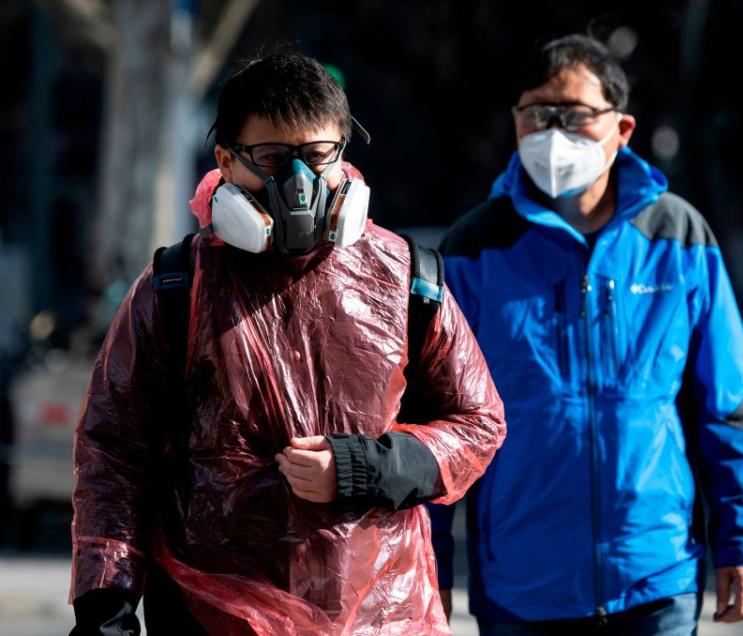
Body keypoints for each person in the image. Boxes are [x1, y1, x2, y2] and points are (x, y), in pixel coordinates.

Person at [70, 51, 506, 635]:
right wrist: (107, 607)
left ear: (343, 154)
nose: (299, 185)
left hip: (378, 616)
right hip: (213, 617)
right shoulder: (177, 287)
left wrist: (364, 468)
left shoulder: (406, 278)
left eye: (317, 157)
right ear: (225, 161)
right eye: (273, 158)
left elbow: (479, 422)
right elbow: (113, 454)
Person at [429, 35, 743, 635]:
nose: (553, 132)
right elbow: (437, 422)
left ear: (622, 128)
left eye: (575, 114)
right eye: (537, 113)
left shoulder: (678, 236)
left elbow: (730, 402)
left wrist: (742, 541)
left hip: (656, 581)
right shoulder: (474, 248)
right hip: (521, 590)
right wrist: (429, 571)